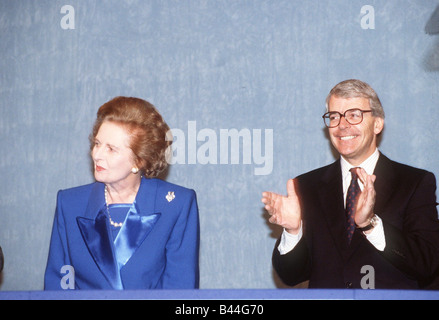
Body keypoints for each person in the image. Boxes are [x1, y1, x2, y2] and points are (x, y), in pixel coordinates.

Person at [262, 79, 439, 289]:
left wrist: (370, 223)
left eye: (354, 115)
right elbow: (291, 276)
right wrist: (293, 231)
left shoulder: (414, 183)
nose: (342, 125)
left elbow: (427, 264)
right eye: (334, 116)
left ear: (377, 123)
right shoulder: (306, 186)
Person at [45, 97, 200, 290]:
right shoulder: (69, 203)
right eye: (97, 143)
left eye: (111, 149)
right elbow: (59, 285)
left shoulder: (176, 206)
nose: (97, 154)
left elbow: (179, 291)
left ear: (139, 161)